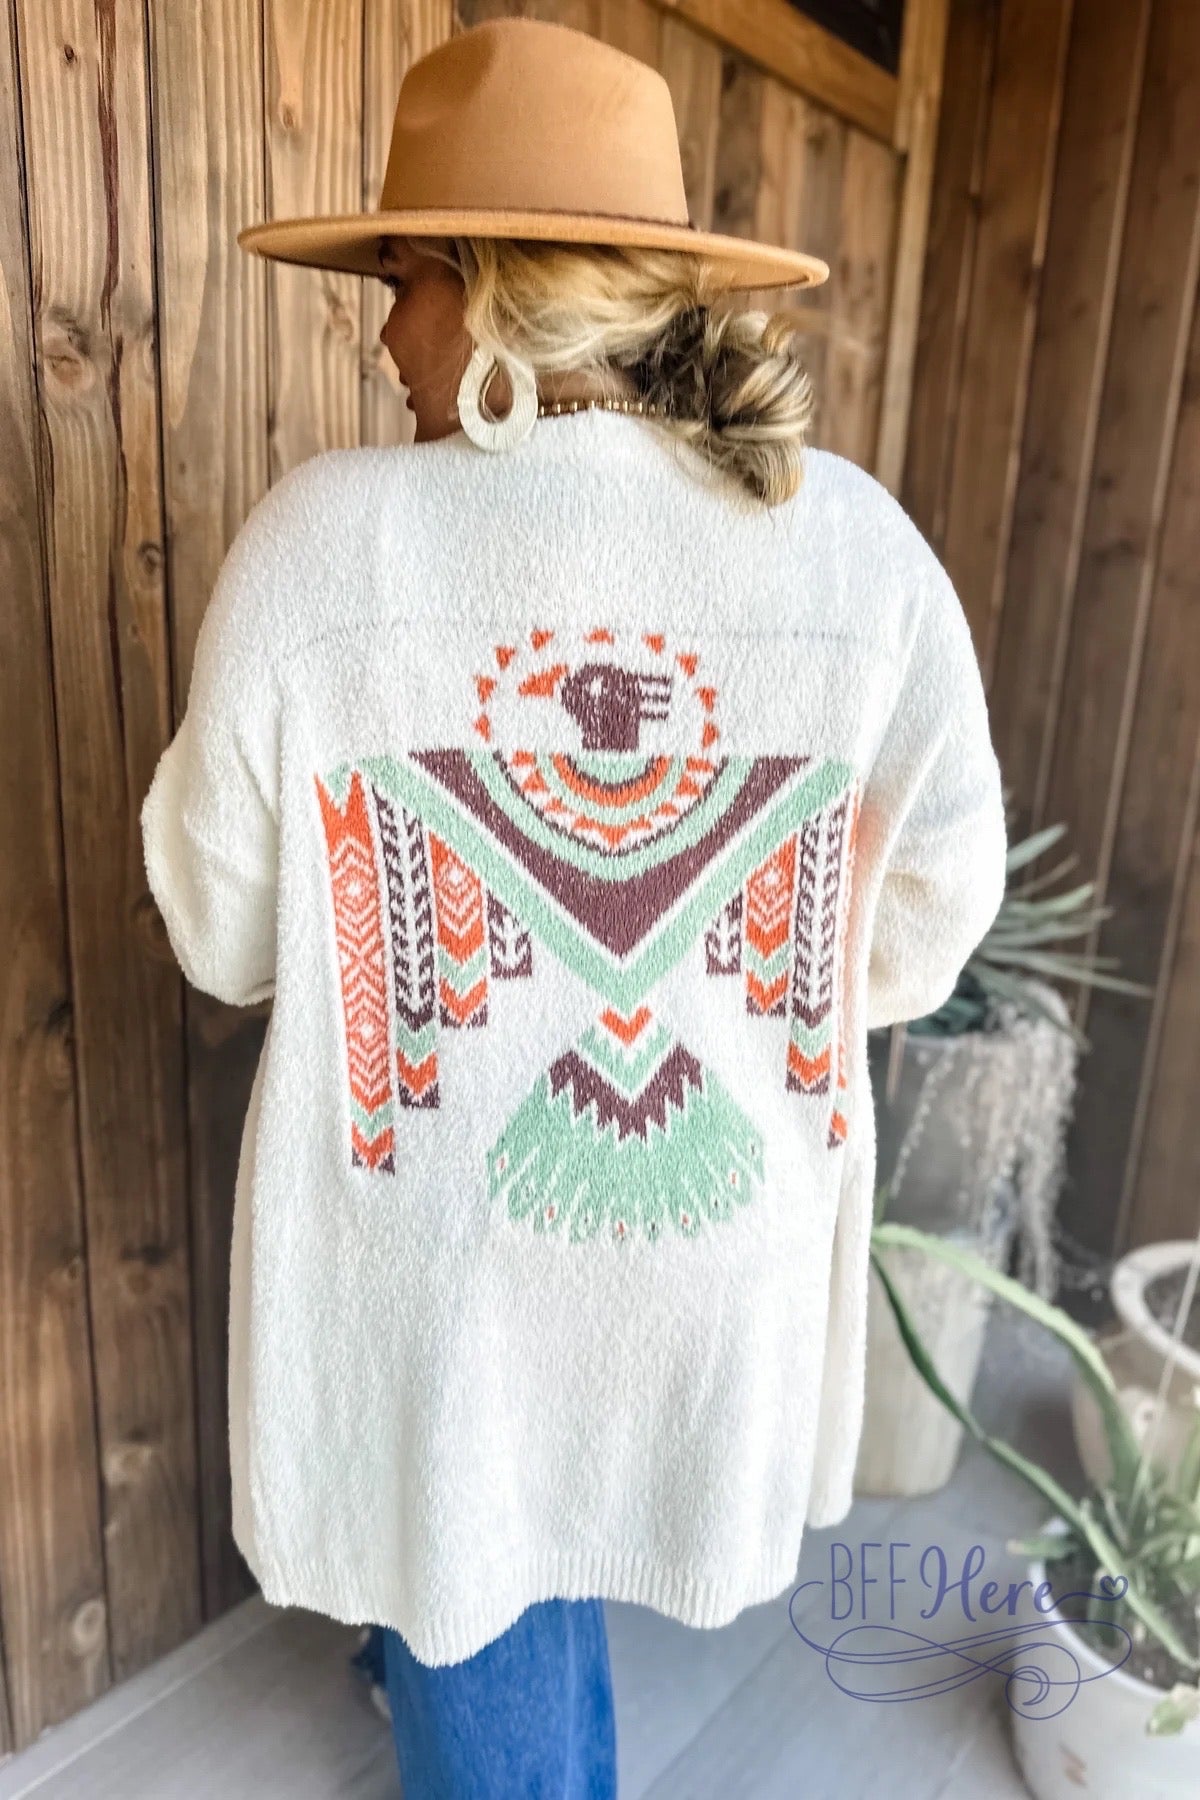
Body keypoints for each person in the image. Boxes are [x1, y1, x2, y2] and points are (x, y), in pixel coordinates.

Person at [141, 17, 1008, 1798]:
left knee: (479, 1555)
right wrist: (741, 987)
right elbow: (939, 908)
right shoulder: (860, 547)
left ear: (497, 292)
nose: (382, 333)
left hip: (447, 1246)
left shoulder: (324, 546)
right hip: (723, 1217)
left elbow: (223, 935)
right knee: (533, 1560)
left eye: (402, 278)